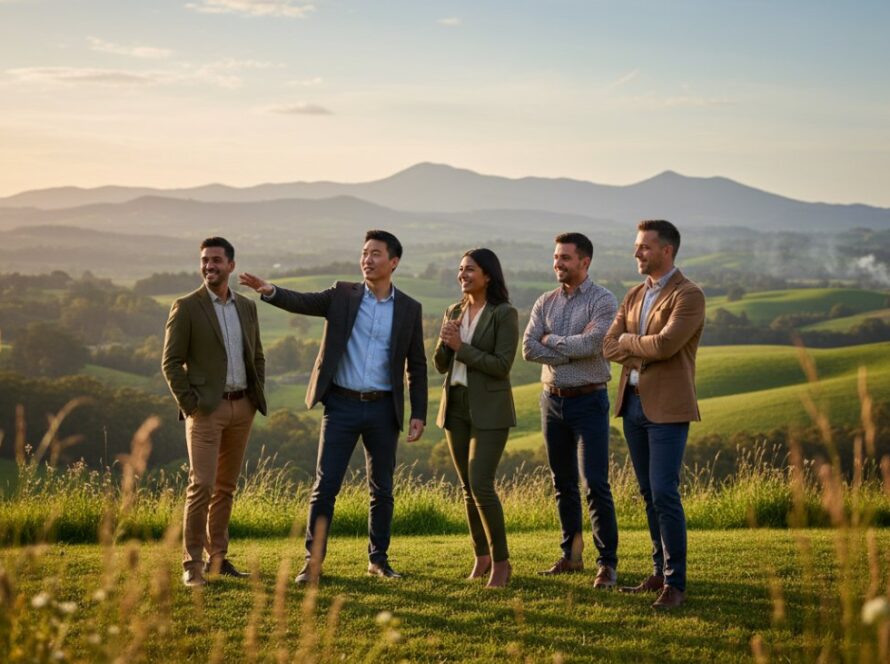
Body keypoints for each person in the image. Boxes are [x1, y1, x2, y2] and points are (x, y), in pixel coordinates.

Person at [239, 230, 427, 583]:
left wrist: (418, 413)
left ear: (394, 262)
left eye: (376, 254)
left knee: (382, 489)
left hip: (384, 409)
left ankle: (378, 560)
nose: (367, 259)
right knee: (326, 487)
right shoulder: (343, 294)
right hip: (341, 405)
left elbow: (416, 364)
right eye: (364, 252)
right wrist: (270, 291)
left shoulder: (409, 309)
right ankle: (313, 563)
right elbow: (305, 302)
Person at [603, 219, 705, 610]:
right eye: (636, 246)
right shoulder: (633, 295)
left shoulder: (689, 295)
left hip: (668, 408)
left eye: (644, 247)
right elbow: (607, 347)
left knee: (664, 491)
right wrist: (632, 344)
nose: (636, 253)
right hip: (631, 406)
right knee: (648, 492)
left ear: (667, 250)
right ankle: (659, 572)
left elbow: (665, 346)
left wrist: (630, 342)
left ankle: (675, 583)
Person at [162, 236, 267, 587]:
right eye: (205, 260)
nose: (210, 266)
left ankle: (218, 559)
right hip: (205, 411)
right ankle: (192, 565)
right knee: (201, 486)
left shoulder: (247, 307)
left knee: (225, 487)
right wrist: (191, 406)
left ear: (231, 266)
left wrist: (255, 396)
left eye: (217, 260)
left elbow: (257, 356)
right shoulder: (186, 306)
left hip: (243, 407)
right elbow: (171, 362)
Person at [522, 232, 620, 588]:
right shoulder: (544, 301)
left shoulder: (603, 300)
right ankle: (572, 556)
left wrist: (552, 341)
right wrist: (569, 349)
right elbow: (528, 349)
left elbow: (595, 343)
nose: (557, 263)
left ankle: (607, 563)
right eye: (556, 257)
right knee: (563, 483)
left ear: (584, 261)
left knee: (595, 483)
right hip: (552, 401)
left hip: (590, 401)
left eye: (565, 257)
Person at [434, 248, 518, 588]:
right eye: (460, 269)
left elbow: (501, 365)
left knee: (482, 483)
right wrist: (445, 343)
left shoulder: (504, 313)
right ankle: (481, 556)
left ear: (488, 275)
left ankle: (501, 562)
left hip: (490, 410)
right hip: (454, 407)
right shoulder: (454, 311)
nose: (463, 275)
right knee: (468, 488)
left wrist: (461, 348)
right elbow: (442, 364)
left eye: (470, 269)